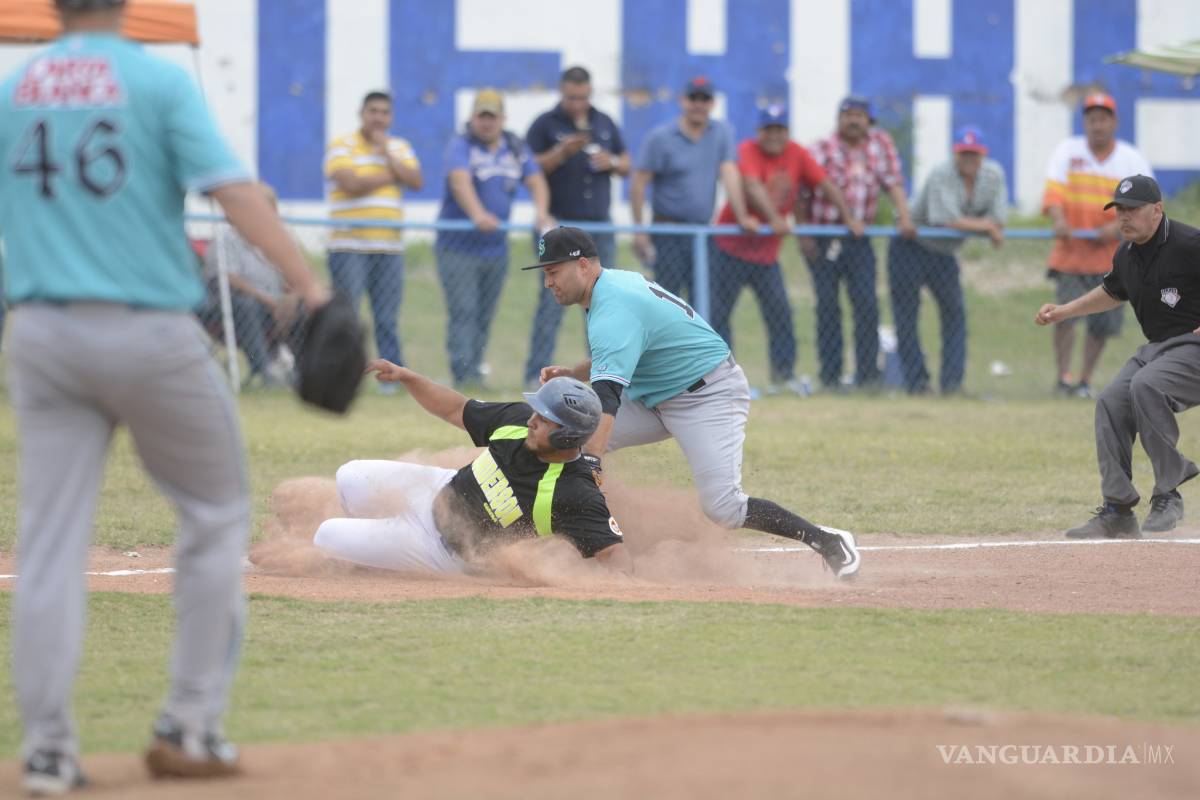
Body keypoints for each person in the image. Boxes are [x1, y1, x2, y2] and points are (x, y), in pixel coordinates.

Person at [0, 0, 329, 793]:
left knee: (47, 543)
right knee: (215, 514)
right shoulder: (153, 80)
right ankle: (191, 723)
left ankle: (46, 750)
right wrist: (308, 287)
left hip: (40, 329)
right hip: (146, 329)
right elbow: (235, 194)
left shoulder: (15, 86)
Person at [532, 227, 861, 580]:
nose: (548, 282)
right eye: (546, 274)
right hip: (654, 397)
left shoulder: (612, 307)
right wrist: (573, 373)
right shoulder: (609, 287)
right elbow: (622, 349)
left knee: (723, 508)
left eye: (553, 272)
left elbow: (607, 400)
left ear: (582, 266)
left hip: (708, 396)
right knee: (563, 439)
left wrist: (592, 461)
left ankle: (827, 541)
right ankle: (546, 538)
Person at [316, 368, 631, 573]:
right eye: (537, 412)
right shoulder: (518, 423)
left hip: (442, 549)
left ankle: (379, 556)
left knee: (326, 535)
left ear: (568, 436)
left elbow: (615, 558)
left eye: (545, 419)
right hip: (437, 488)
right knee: (349, 475)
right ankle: (375, 545)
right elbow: (456, 408)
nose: (533, 420)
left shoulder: (575, 492)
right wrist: (408, 377)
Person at [1036, 175, 1200, 538]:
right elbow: (1111, 292)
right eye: (1120, 209)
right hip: (1159, 349)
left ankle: (1168, 494)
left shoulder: (1190, 243)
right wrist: (1063, 311)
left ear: (1157, 210)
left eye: (1133, 209)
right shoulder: (1126, 253)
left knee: (1146, 386)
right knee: (1111, 400)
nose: (1124, 216)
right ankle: (1118, 510)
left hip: (1194, 348)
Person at [710, 104, 860, 395]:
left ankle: (784, 376)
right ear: (759, 131)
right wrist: (776, 218)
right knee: (719, 317)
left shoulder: (796, 153)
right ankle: (720, 381)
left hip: (766, 254)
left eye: (779, 129)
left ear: (787, 131)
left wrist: (849, 216)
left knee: (780, 314)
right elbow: (752, 185)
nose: (774, 136)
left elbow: (825, 184)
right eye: (769, 129)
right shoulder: (748, 150)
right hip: (729, 249)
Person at [437, 88, 554, 389]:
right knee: (464, 310)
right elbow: (459, 181)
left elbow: (536, 179)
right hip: (458, 247)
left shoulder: (514, 148)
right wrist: (477, 214)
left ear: (503, 119)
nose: (487, 123)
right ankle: (463, 375)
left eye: (492, 117)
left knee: (485, 313)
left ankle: (476, 369)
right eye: (482, 116)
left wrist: (541, 212)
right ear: (472, 118)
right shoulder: (461, 146)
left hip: (495, 249)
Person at [523, 66, 629, 390]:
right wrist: (561, 152)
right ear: (561, 92)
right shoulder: (544, 124)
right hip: (559, 229)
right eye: (571, 98)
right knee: (551, 303)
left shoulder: (604, 122)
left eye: (583, 98)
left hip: (599, 229)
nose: (577, 104)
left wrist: (611, 162)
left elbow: (627, 163)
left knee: (602, 303)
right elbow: (528, 167)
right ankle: (535, 372)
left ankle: (602, 372)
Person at [1041, 92, 1153, 398]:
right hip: (1070, 254)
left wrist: (1117, 226)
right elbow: (1053, 193)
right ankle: (1063, 378)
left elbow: (1150, 205)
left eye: (1103, 119)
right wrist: (1058, 219)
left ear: (1114, 122)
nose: (1098, 125)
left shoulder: (1130, 158)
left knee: (1102, 325)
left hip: (1112, 257)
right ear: (1085, 122)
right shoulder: (1068, 151)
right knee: (1062, 316)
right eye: (1092, 119)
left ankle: (1085, 381)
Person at [887, 125, 1008, 395]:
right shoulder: (942, 172)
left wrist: (991, 225)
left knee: (955, 314)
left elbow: (999, 216)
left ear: (983, 154)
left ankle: (952, 384)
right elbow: (947, 221)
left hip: (943, 253)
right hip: (911, 246)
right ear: (955, 154)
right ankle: (916, 383)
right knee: (907, 318)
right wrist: (987, 227)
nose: (968, 159)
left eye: (973, 154)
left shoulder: (994, 175)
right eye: (963, 153)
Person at [806, 96, 914, 391]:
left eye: (860, 115)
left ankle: (868, 376)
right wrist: (803, 235)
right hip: (825, 236)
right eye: (848, 115)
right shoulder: (821, 147)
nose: (854, 120)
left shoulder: (880, 146)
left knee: (866, 304)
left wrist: (903, 216)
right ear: (838, 118)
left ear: (869, 120)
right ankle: (830, 377)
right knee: (827, 306)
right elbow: (803, 190)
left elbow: (893, 182)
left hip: (859, 239)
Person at [324, 91, 421, 393]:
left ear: (390, 117)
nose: (378, 117)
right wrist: (392, 174)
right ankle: (343, 377)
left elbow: (416, 180)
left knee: (386, 318)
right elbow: (350, 184)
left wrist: (388, 157)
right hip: (349, 245)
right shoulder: (342, 145)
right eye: (373, 111)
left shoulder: (399, 147)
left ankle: (390, 381)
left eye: (384, 112)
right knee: (348, 316)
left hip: (388, 248)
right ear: (361, 113)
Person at [629, 76, 755, 301]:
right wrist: (639, 231)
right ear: (682, 101)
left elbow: (730, 174)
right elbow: (638, 184)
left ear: (712, 103)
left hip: (703, 232)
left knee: (704, 303)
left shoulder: (721, 133)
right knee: (666, 304)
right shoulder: (661, 138)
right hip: (668, 232)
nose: (699, 104)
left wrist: (742, 216)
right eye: (693, 98)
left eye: (704, 98)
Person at [199, 182, 306, 387]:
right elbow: (228, 278)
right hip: (231, 309)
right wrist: (270, 302)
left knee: (304, 307)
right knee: (246, 304)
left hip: (275, 308)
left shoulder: (281, 238)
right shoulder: (225, 240)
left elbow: (296, 276)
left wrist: (292, 297)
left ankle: (301, 371)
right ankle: (265, 371)